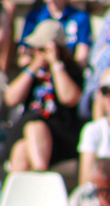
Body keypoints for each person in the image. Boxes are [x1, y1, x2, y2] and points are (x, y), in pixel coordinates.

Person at [3, 20, 84, 173]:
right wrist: (33, 67)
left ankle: (40, 176)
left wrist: (55, 65)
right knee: (21, 150)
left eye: (42, 49)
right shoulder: (31, 70)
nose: (37, 53)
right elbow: (11, 99)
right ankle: (21, 192)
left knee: (35, 127)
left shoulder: (71, 70)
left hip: (59, 133)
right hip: (28, 129)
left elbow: (70, 98)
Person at [20, 0, 92, 67]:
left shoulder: (80, 18)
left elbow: (81, 60)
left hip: (66, 73)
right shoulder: (35, 16)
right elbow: (23, 57)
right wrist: (41, 59)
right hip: (39, 73)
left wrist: (57, 63)